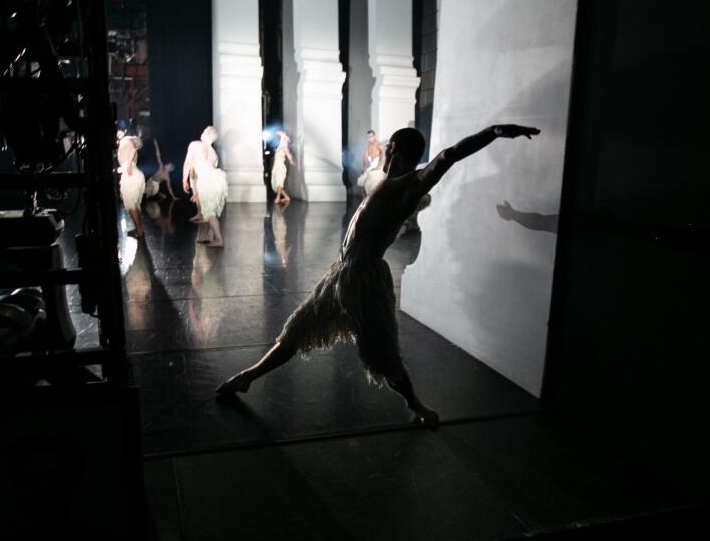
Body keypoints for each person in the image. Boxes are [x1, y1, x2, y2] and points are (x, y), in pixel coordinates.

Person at [216, 123, 541, 426]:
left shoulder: (411, 184)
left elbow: (448, 156)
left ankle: (415, 405)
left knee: (381, 351)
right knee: (299, 328)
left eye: (387, 147)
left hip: (365, 279)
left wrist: (495, 133)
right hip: (342, 275)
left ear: (393, 147)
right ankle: (249, 376)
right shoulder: (386, 184)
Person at [182, 126, 227, 247]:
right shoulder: (213, 152)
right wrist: (198, 192)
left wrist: (184, 179)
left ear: (207, 134)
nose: (201, 133)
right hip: (218, 179)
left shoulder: (195, 144)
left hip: (207, 180)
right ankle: (210, 236)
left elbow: (187, 162)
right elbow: (208, 169)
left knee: (210, 213)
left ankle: (219, 240)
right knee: (212, 209)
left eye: (203, 132)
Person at [116, 134, 145, 238]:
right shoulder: (129, 145)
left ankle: (139, 230)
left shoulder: (127, 142)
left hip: (131, 176)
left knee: (131, 206)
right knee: (135, 205)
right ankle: (139, 228)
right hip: (136, 175)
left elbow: (132, 150)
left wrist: (128, 165)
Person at [357, 130, 387, 196]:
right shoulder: (369, 145)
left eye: (371, 136)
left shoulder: (378, 144)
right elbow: (365, 155)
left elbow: (383, 153)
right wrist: (364, 166)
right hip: (373, 165)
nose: (370, 138)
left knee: (374, 184)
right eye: (368, 137)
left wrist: (379, 166)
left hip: (378, 165)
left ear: (374, 136)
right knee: (363, 181)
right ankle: (366, 203)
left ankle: (373, 201)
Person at [270, 130, 295, 205]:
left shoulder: (284, 148)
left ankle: (278, 198)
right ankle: (286, 197)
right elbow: (278, 133)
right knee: (275, 184)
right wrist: (282, 135)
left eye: (285, 140)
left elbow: (288, 154)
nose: (284, 141)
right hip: (276, 167)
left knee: (279, 182)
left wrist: (291, 161)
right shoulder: (280, 147)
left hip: (280, 167)